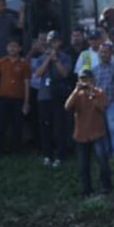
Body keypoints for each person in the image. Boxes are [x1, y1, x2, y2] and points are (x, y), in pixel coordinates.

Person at [66, 69, 111, 197]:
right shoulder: (77, 95)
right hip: (81, 135)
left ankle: (106, 187)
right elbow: (67, 107)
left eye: (87, 79)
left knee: (103, 161)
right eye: (82, 79)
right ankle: (86, 191)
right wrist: (76, 90)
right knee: (83, 166)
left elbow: (101, 107)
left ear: (93, 80)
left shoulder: (99, 92)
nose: (85, 82)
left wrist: (92, 94)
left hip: (97, 133)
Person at [33, 31, 73, 167]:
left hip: (59, 96)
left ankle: (60, 155)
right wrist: (48, 59)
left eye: (55, 41)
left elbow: (65, 74)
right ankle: (47, 155)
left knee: (59, 126)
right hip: (44, 96)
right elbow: (38, 73)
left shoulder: (65, 57)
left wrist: (55, 59)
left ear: (60, 42)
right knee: (45, 126)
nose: (52, 44)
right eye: (50, 41)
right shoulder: (41, 58)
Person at [0, 40, 31, 154]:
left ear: (19, 49)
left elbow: (27, 84)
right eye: (10, 46)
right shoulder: (0, 62)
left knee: (17, 125)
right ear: (7, 48)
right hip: (4, 98)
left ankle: (16, 151)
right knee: (0, 125)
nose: (12, 49)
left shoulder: (24, 64)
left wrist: (26, 102)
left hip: (18, 98)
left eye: (15, 46)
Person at [93, 42, 114, 162]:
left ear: (111, 53)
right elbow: (93, 87)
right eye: (101, 52)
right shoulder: (95, 69)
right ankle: (105, 154)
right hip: (99, 104)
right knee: (102, 130)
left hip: (112, 102)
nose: (103, 54)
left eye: (106, 52)